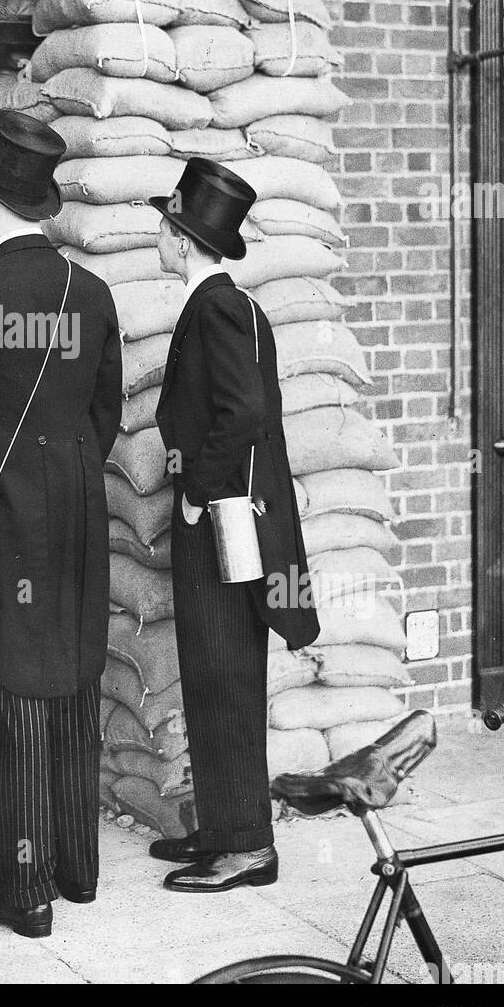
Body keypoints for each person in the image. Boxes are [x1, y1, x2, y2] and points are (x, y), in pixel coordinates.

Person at [0, 110, 122, 938]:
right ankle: (78, 870)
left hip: (5, 515)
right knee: (78, 674)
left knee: (11, 690)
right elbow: (108, 410)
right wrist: (68, 465)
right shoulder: (96, 292)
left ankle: (26, 891)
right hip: (81, 502)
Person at [147, 158, 318, 893]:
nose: (157, 234)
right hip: (223, 523)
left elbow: (245, 414)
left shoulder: (216, 307)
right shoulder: (217, 302)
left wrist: (197, 488)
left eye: (163, 223)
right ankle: (221, 826)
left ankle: (248, 844)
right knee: (212, 675)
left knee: (227, 678)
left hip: (222, 524)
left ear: (182, 239)